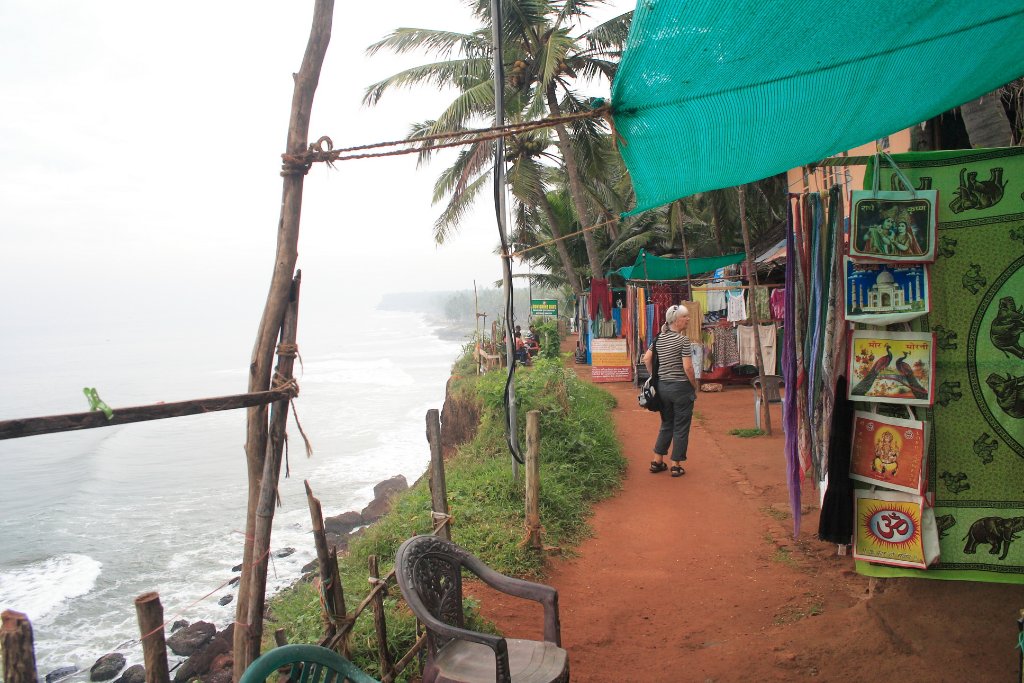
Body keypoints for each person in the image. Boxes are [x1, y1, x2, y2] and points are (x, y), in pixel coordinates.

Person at [642, 304, 697, 477]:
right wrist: (694, 385)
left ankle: (657, 461)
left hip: (663, 388)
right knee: (681, 426)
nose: (688, 319)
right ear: (676, 320)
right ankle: (676, 465)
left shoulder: (659, 338)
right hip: (681, 388)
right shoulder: (683, 340)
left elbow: (646, 358)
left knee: (667, 423)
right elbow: (688, 367)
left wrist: (655, 376)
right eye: (685, 317)